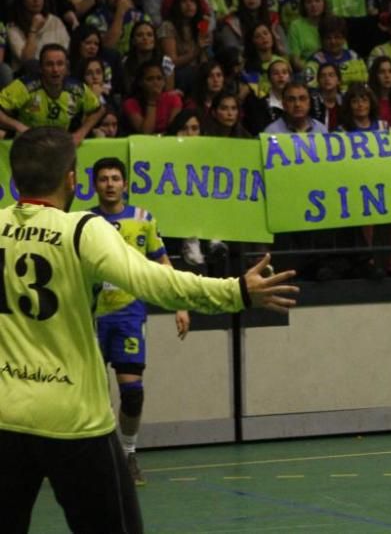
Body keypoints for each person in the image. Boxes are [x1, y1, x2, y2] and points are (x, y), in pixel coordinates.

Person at [0, 127, 298, 534]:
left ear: (15, 180)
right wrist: (237, 292)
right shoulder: (81, 230)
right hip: (72, 420)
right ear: (71, 178)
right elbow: (155, 281)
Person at [91, 157, 191, 486]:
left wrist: (179, 304)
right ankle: (97, 457)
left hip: (129, 314)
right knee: (91, 393)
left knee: (132, 392)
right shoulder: (85, 221)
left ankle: (128, 453)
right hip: (89, 316)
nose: (109, 184)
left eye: (115, 178)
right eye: (103, 178)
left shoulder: (142, 219)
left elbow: (162, 261)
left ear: (124, 184)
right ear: (95, 184)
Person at [0, 44, 104, 145]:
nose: (55, 70)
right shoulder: (24, 87)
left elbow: (98, 110)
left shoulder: (77, 89)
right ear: (40, 68)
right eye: (49, 64)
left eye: (60, 64)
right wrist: (19, 126)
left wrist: (80, 133)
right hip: (28, 145)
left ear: (66, 67)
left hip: (59, 146)